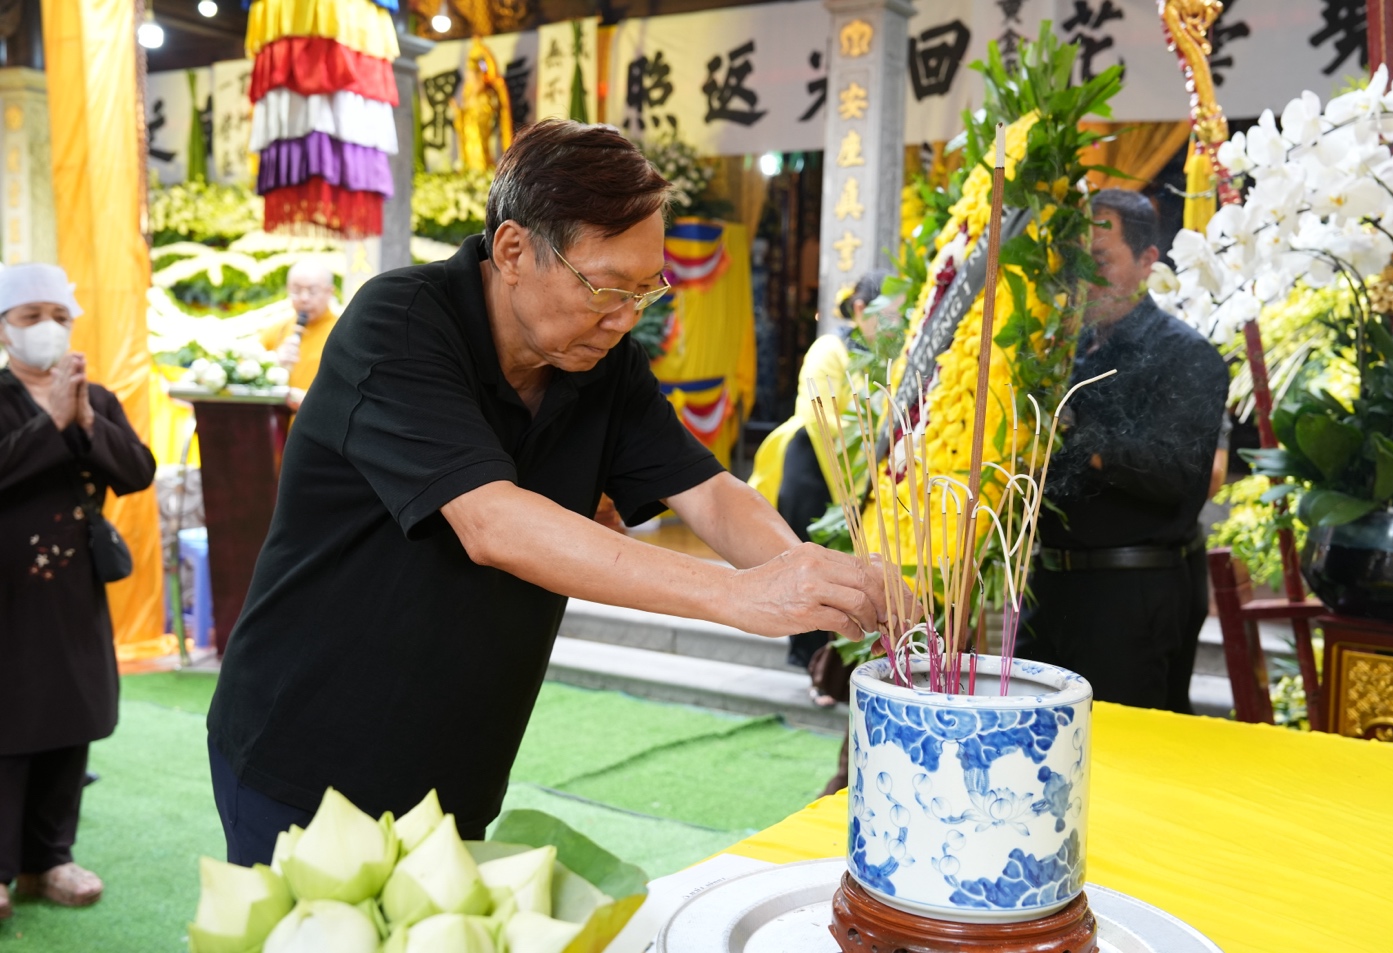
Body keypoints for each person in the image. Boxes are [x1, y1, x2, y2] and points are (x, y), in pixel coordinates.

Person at [207, 120, 907, 865]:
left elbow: (707, 490)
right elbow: (493, 522)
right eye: (606, 287)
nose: (624, 317)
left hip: (457, 768)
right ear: (513, 251)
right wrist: (737, 597)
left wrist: (812, 577)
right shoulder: (400, 323)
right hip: (309, 752)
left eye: (646, 290)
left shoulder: (601, 362)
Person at [1015, 189, 1230, 713]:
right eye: (1073, 262)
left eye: (1101, 260)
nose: (1084, 276)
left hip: (1132, 593)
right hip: (1051, 585)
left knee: (1124, 758)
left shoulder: (1187, 355)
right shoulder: (1065, 352)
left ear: (1147, 262)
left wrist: (1075, 436)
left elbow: (1179, 475)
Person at [0, 264, 157, 919]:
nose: (47, 328)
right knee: (8, 726)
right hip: (6, 597)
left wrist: (85, 417)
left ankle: (48, 860)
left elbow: (137, 470)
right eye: (29, 315)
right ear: (4, 327)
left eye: (58, 315)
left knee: (70, 716)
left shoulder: (96, 395)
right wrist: (49, 422)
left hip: (73, 592)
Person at [750, 270, 891, 684]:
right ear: (861, 309)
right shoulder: (831, 347)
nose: (896, 324)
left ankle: (835, 666)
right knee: (808, 554)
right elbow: (821, 415)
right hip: (815, 464)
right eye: (891, 313)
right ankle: (807, 658)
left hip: (861, 474)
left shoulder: (887, 355)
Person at [258, 259, 338, 409]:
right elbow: (248, 380)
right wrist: (273, 362)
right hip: (278, 425)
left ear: (329, 292)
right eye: (296, 290)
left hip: (320, 423)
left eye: (312, 291)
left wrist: (308, 399)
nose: (304, 298)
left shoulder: (342, 333)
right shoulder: (277, 331)